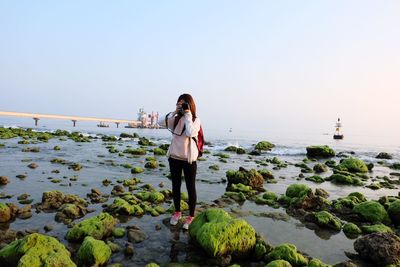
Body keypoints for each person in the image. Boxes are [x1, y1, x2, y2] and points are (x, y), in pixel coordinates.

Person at [158, 93, 201, 230]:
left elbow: (190, 133)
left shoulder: (195, 120)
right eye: (179, 103)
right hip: (174, 157)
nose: (181, 106)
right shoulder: (175, 119)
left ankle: (191, 216)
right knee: (175, 186)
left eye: (184, 104)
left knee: (190, 187)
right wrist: (174, 112)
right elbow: (159, 123)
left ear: (190, 105)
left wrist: (188, 114)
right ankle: (177, 212)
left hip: (189, 159)